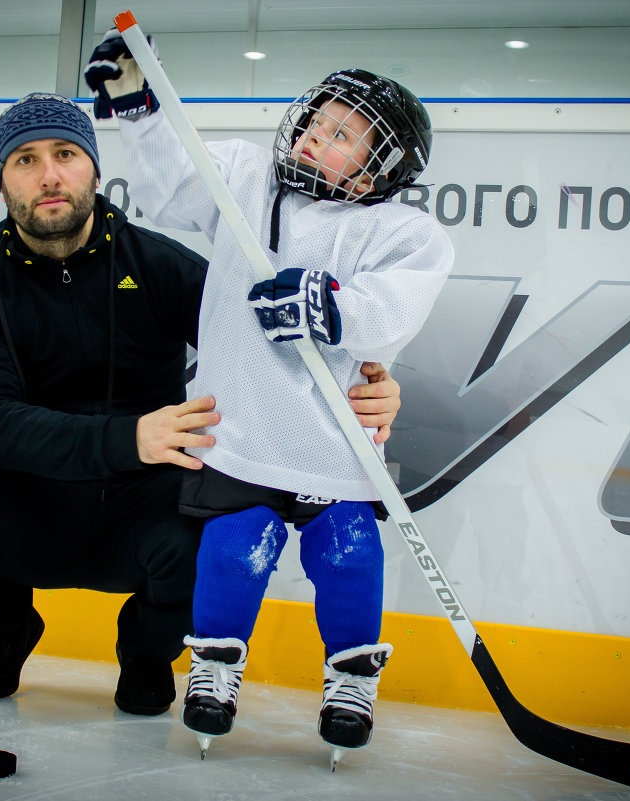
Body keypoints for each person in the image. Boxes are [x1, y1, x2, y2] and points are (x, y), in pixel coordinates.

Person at [0, 91, 404, 718]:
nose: (49, 175)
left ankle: (145, 658)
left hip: (147, 500)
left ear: (93, 167)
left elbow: (274, 349)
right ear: (3, 182)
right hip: (25, 496)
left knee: (217, 540)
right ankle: (6, 629)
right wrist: (128, 437)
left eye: (65, 154)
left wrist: (369, 384)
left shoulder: (158, 266)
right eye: (25, 160)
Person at [86, 34, 454, 758]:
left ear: (385, 161)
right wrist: (139, 107)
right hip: (244, 434)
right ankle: (215, 669)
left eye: (343, 133)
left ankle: (351, 680)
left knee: (350, 556)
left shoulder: (403, 230)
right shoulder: (249, 179)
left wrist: (329, 305)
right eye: (318, 120)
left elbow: (397, 305)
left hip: (332, 446)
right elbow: (170, 183)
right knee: (231, 551)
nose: (318, 135)